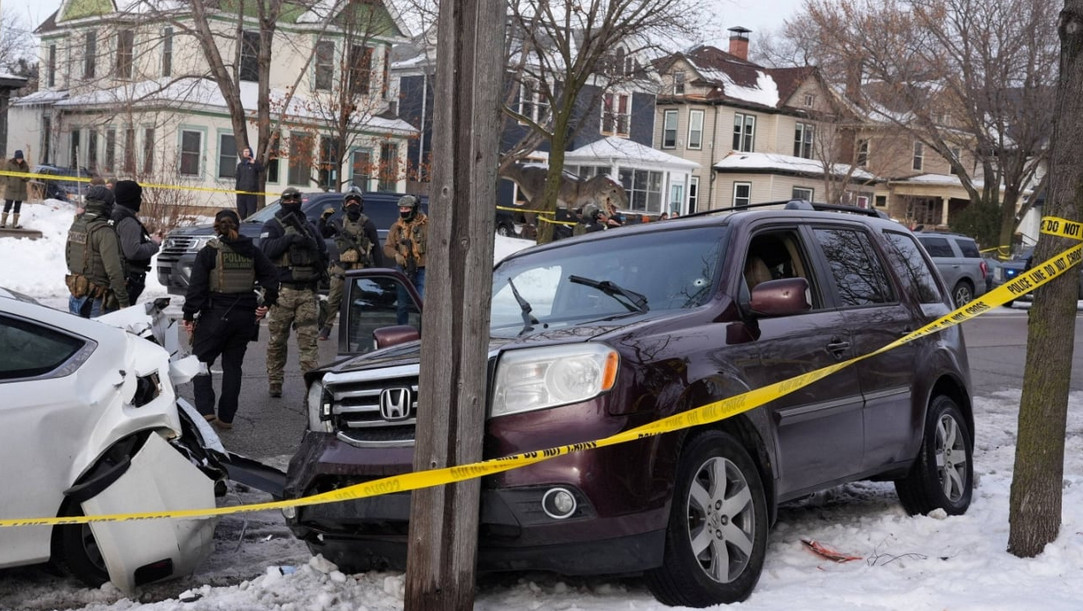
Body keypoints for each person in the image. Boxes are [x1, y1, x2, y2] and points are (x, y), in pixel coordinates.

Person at [182, 209, 279, 429]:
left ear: (217, 227)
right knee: (233, 366)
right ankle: (226, 417)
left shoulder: (209, 252)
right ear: (238, 226)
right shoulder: (252, 251)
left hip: (216, 315)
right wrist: (266, 304)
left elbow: (196, 287)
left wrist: (188, 315)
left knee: (200, 362)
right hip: (245, 317)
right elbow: (272, 277)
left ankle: (206, 411)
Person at [260, 186, 327, 398]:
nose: (292, 203)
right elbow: (266, 251)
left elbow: (322, 253)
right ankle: (275, 381)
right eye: (288, 200)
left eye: (295, 199)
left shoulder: (309, 226)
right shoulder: (272, 225)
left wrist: (319, 271)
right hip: (282, 292)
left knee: (309, 343)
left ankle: (311, 387)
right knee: (277, 341)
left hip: (306, 292)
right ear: (282, 202)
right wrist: (289, 239)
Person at [317, 186, 384, 340]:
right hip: (341, 270)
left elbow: (376, 251)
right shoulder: (339, 222)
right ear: (344, 204)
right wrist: (323, 219)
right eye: (349, 201)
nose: (352, 204)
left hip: (359, 272)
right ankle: (326, 329)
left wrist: (379, 272)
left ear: (361, 204)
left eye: (356, 201)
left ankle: (352, 332)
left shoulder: (368, 224)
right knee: (333, 301)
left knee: (356, 304)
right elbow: (320, 234)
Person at [64, 185, 130, 317]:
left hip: (76, 297)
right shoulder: (104, 232)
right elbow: (114, 270)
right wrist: (123, 302)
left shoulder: (77, 225)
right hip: (96, 302)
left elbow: (69, 257)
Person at [111, 180, 162, 303]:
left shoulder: (112, 215)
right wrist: (154, 244)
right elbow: (133, 252)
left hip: (117, 275)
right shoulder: (127, 221)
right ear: (131, 198)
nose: (140, 200)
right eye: (138, 197)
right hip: (127, 278)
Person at [383, 194, 428, 325]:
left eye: (407, 208)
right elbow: (387, 247)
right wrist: (396, 255)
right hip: (403, 269)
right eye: (401, 208)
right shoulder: (396, 227)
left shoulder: (426, 226)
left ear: (414, 209)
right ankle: (402, 331)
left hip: (422, 268)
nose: (403, 211)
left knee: (423, 304)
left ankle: (425, 332)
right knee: (402, 305)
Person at [2, 150, 30, 229]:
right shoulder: (10, 164)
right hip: (11, 189)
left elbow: (29, 176)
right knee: (8, 205)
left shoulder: (25, 165)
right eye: (18, 158)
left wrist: (25, 178)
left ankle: (15, 223)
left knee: (18, 206)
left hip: (21, 190)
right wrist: (8, 183)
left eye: (21, 158)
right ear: (15, 158)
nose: (20, 160)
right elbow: (4, 175)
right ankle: (2, 222)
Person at [235, 146, 264, 220]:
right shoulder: (240, 165)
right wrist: (237, 190)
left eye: (247, 151)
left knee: (251, 213)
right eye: (244, 151)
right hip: (241, 193)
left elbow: (261, 170)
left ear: (250, 152)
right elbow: (237, 178)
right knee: (241, 212)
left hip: (251, 193)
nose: (246, 153)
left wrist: (255, 163)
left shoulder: (254, 164)